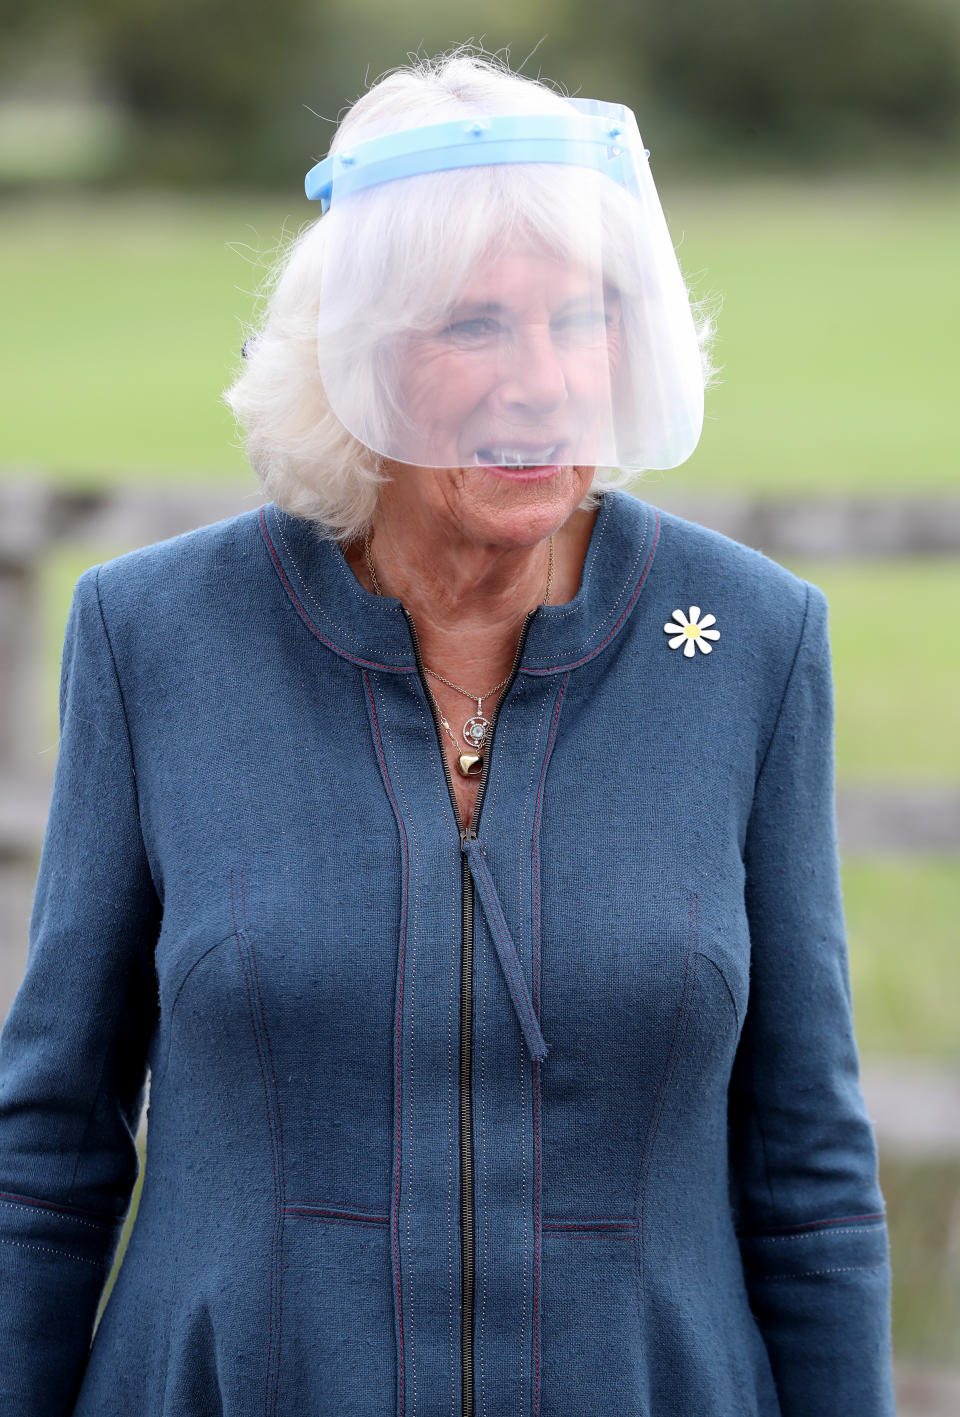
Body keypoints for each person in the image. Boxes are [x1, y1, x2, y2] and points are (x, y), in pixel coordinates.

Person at [0, 51, 895, 1417]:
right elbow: (48, 1151)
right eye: (475, 324)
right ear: (353, 351)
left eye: (581, 320)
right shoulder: (157, 636)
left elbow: (813, 1177)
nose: (543, 382)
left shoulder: (749, 643)